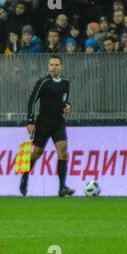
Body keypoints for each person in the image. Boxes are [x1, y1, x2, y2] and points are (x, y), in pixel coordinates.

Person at [19, 55, 75, 197]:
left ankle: (62, 187)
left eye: (56, 65)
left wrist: (68, 106)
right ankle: (25, 176)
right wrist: (30, 121)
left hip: (58, 123)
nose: (53, 67)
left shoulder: (66, 83)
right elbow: (32, 101)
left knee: (62, 151)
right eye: (51, 65)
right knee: (36, 153)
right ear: (48, 66)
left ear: (61, 67)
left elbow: (65, 101)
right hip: (43, 123)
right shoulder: (43, 82)